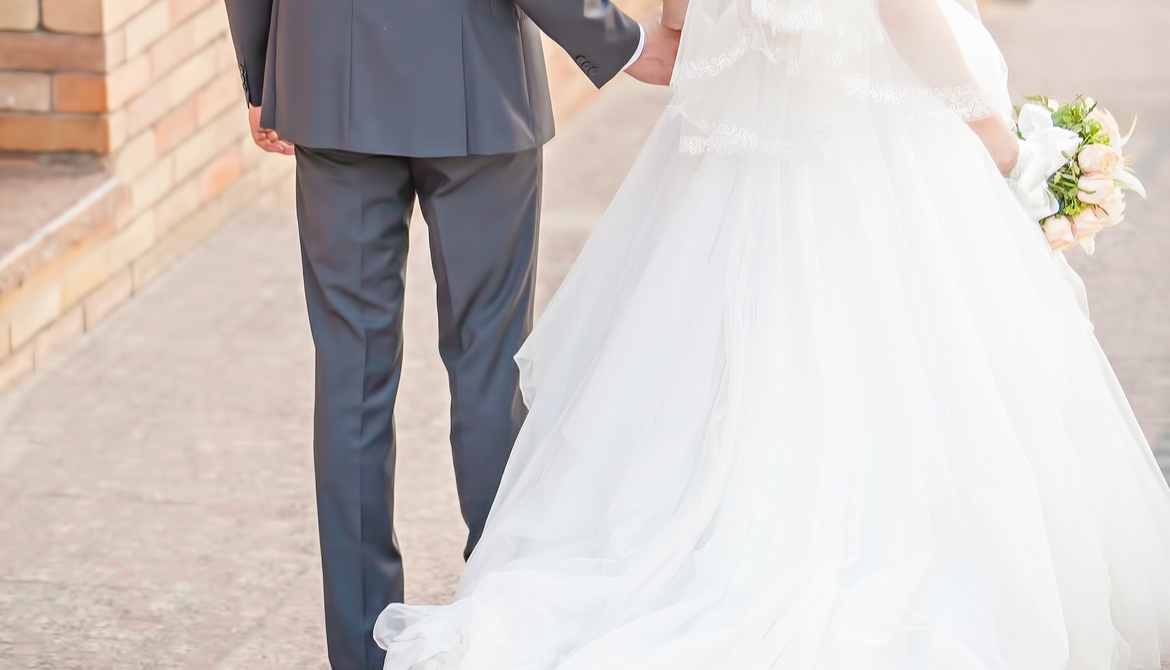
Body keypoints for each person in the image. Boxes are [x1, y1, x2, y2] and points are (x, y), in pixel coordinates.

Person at [373, 0, 1170, 667]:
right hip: (868, 147)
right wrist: (998, 140)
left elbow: (683, 15)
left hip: (745, 153)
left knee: (723, 355)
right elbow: (905, 11)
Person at [220, 0, 681, 668]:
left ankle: (361, 650)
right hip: (477, 85)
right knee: (488, 362)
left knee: (351, 369)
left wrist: (267, 72)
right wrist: (622, 43)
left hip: (328, 80)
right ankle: (500, 630)